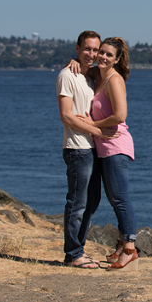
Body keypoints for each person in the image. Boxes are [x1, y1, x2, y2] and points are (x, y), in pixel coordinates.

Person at [56, 30, 117, 269]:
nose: (92, 54)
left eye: (95, 50)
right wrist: (98, 131)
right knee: (77, 202)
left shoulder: (89, 76)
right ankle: (72, 254)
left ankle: (78, 250)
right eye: (87, 49)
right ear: (78, 48)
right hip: (77, 148)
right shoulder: (67, 75)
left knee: (91, 202)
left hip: (92, 148)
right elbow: (66, 116)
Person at [76, 37, 138, 271]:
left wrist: (93, 122)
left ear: (117, 59)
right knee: (113, 199)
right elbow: (83, 66)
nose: (102, 57)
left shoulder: (114, 79)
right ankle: (122, 246)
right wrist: (74, 60)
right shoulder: (99, 76)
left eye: (108, 55)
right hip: (103, 147)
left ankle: (130, 249)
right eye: (101, 52)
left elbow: (120, 115)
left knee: (120, 199)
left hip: (115, 145)